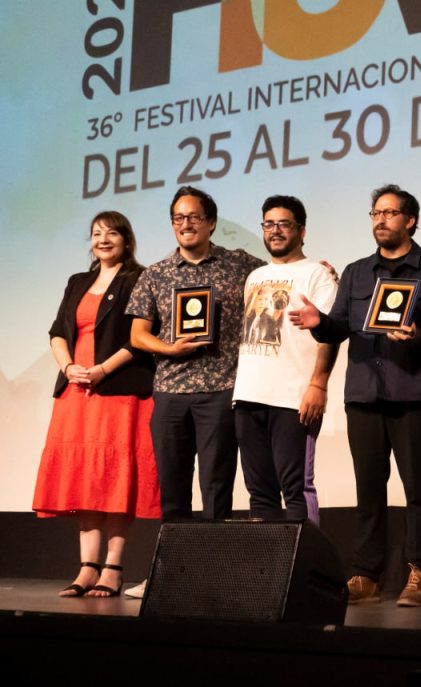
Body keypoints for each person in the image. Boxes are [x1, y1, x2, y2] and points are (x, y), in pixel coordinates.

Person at [290, 184, 421, 607]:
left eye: (390, 213)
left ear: (411, 220)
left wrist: (417, 336)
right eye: (375, 214)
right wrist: (318, 322)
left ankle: (419, 572)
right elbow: (340, 326)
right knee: (369, 488)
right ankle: (366, 573)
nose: (380, 220)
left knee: (418, 489)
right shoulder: (357, 272)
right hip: (364, 393)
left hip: (413, 393)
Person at [33, 211, 160, 597]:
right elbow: (58, 333)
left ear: (126, 239)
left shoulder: (138, 278)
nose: (103, 239)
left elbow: (141, 335)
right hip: (76, 389)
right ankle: (87, 567)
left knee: (115, 478)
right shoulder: (78, 282)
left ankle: (113, 568)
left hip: (118, 388)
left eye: (111, 233)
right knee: (85, 476)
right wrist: (69, 366)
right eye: (96, 233)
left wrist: (102, 369)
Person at [127, 186, 265, 525]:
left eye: (193, 217)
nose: (185, 224)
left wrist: (315, 268)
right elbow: (137, 336)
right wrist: (170, 348)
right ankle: (176, 572)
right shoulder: (156, 273)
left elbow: (282, 275)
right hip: (171, 392)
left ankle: (213, 571)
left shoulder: (240, 264)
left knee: (216, 489)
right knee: (172, 490)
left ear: (211, 223)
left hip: (221, 390)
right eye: (178, 218)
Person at [233, 195, 339, 523]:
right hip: (248, 395)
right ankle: (269, 574)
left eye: (284, 224)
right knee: (260, 491)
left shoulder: (318, 274)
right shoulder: (255, 276)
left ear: (302, 231)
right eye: (268, 224)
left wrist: (318, 384)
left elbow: (330, 334)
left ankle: (307, 571)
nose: (275, 231)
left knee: (296, 488)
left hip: (293, 397)